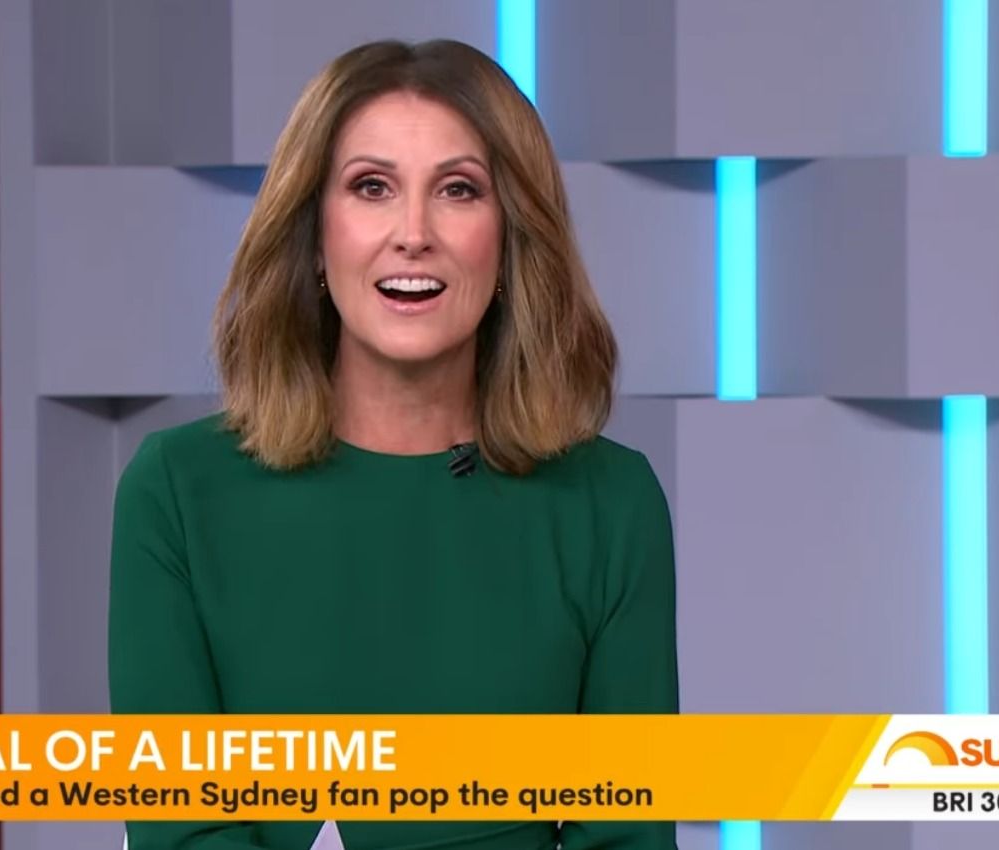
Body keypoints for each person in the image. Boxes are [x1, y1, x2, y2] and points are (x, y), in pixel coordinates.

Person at [109, 38, 678, 850]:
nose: (413, 234)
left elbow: (626, 838)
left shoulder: (609, 506)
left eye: (457, 190)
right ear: (314, 234)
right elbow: (180, 836)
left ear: (510, 241)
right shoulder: (175, 493)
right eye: (371, 187)